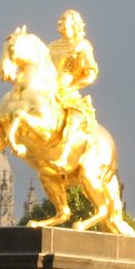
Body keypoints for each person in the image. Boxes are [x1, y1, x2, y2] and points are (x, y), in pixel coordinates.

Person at [48, 10, 99, 167]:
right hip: (49, 91)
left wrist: (71, 87)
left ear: (74, 24)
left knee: (73, 118)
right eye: (59, 19)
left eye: (63, 19)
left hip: (69, 94)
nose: (59, 22)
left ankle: (64, 155)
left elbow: (91, 73)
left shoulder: (81, 46)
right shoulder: (52, 46)